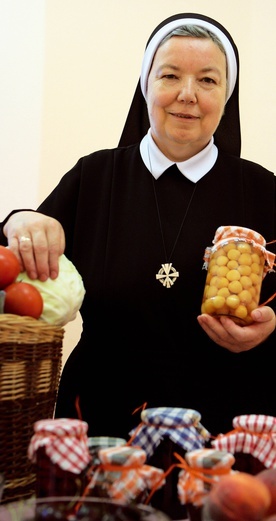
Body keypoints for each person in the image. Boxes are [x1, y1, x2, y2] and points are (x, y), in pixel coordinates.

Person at [1, 13, 275, 442]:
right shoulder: (94, 177)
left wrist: (274, 322)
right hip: (100, 419)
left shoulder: (264, 189)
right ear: (146, 83)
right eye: (170, 75)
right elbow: (11, 268)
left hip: (226, 433)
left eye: (208, 80)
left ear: (227, 95)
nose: (188, 95)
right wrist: (18, 219)